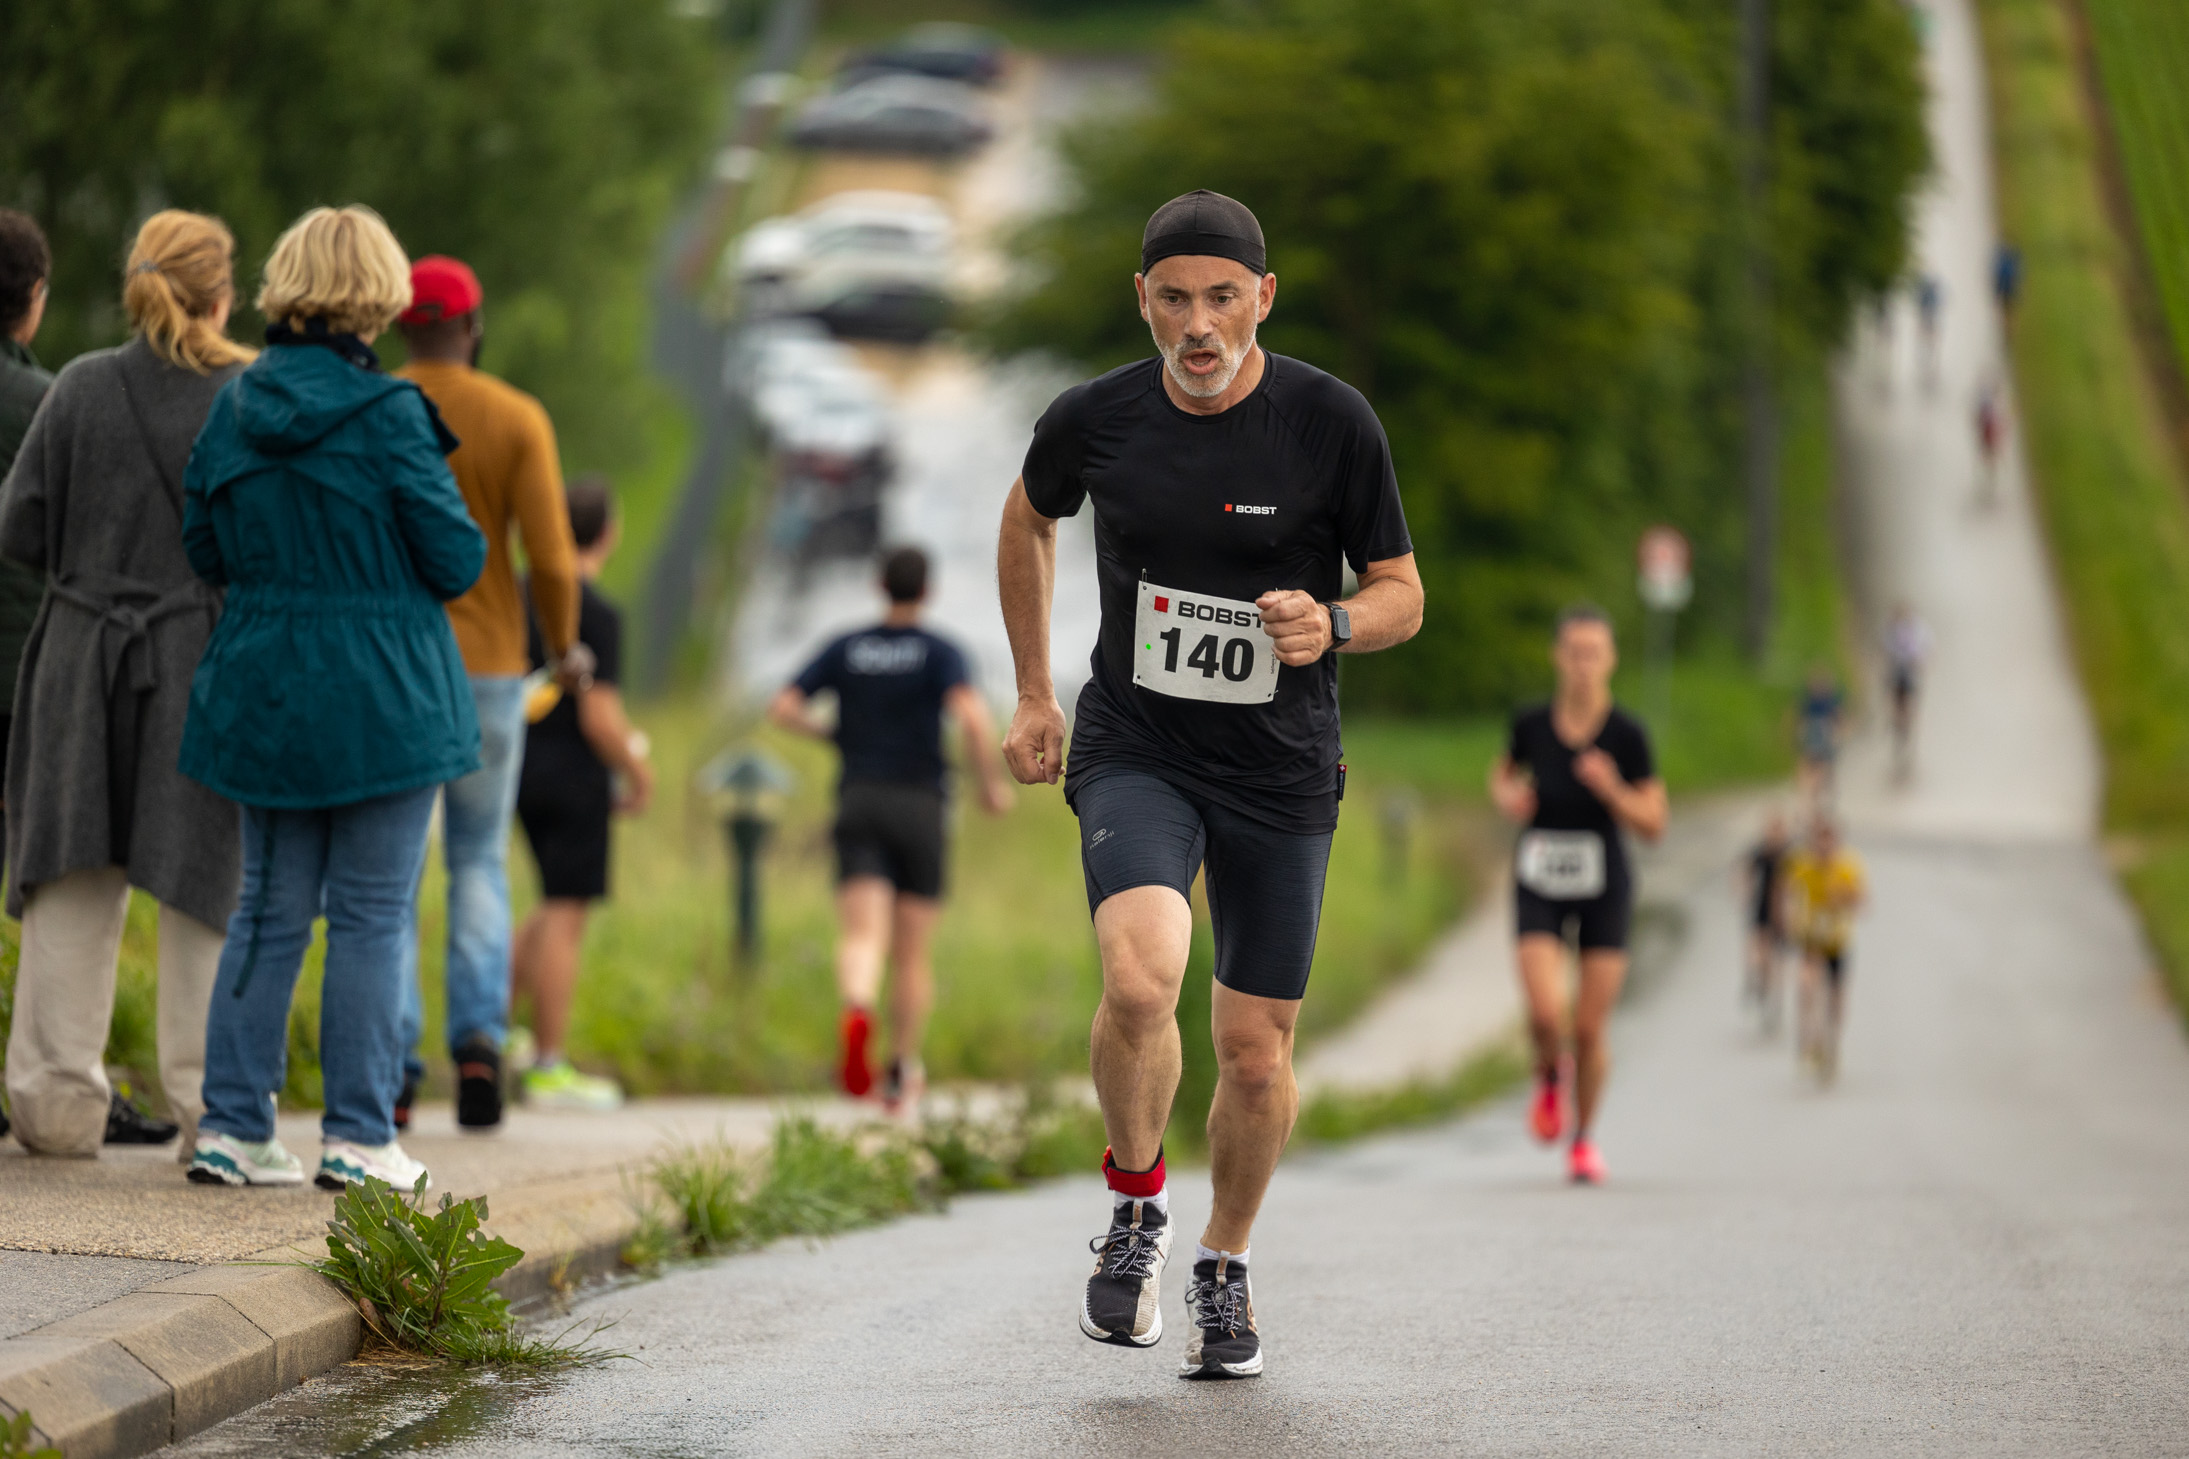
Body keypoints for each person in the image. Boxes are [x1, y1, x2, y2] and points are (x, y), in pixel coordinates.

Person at [997, 190, 1422, 1380]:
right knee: (1140, 977)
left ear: (1261, 299)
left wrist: (1333, 622)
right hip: (1137, 744)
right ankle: (1135, 1205)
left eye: (1222, 298)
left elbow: (1402, 590)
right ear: (1142, 299)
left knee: (1251, 1050)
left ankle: (1222, 1263)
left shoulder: (1329, 422)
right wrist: (1032, 692)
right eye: (1175, 298)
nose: (1198, 325)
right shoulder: (1095, 419)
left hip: (1280, 768)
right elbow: (1027, 521)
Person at [180, 206, 486, 1190]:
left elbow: (203, 547)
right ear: (378, 298)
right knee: (369, 915)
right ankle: (357, 1137)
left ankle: (231, 1127)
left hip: (263, 685)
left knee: (266, 909)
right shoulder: (390, 413)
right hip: (386, 697)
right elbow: (455, 558)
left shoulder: (233, 405)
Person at [0, 211, 253, 1159]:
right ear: (220, 296)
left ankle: (56, 1108)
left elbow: (19, 529)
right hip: (199, 656)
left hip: (79, 654)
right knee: (202, 877)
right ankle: (209, 1113)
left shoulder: (77, 385)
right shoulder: (246, 397)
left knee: (72, 868)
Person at [394, 255, 581, 1133]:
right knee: (476, 858)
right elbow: (551, 556)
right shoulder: (514, 417)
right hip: (492, 669)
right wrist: (566, 647)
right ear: (472, 329)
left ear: (402, 326)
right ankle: (478, 1044)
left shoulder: (377, 406)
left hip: (394, 661)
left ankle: (390, 1061)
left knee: (390, 868)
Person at [768, 545, 1011, 1112]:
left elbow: (783, 707)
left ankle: (858, 1006)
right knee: (912, 953)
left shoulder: (846, 646)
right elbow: (972, 718)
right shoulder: (940, 651)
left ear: (880, 585)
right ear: (927, 591)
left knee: (862, 936)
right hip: (920, 804)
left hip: (859, 799)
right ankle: (901, 1068)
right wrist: (988, 786)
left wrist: (833, 735)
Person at [1488, 607, 1667, 1185]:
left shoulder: (1627, 735)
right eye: (1575, 653)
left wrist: (1612, 788)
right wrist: (1509, 796)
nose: (1584, 665)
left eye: (1594, 653)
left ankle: (1584, 1140)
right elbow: (1502, 774)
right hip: (1539, 876)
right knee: (1546, 1014)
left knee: (1588, 1029)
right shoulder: (1531, 723)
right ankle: (1548, 1074)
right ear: (1558, 657)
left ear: (1610, 660)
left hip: (1604, 884)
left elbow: (1655, 822)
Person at [508, 475, 652, 1111]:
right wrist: (639, 771)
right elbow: (599, 718)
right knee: (566, 916)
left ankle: (488, 1034)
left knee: (542, 906)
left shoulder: (519, 595)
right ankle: (548, 1064)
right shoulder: (596, 611)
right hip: (574, 777)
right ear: (608, 533)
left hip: (514, 766)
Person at [1784, 816, 1866, 1083]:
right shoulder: (1802, 865)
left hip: (1838, 940)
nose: (1824, 847)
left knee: (1836, 998)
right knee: (1806, 984)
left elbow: (1862, 902)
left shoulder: (1847, 867)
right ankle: (1808, 1036)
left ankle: (1832, 1042)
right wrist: (1791, 918)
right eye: (1820, 840)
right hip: (1811, 938)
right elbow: (1789, 893)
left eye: (1829, 841)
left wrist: (1844, 898)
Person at [1741, 809, 1793, 1031]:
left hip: (1781, 914)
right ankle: (1757, 983)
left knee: (1777, 961)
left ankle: (1775, 1003)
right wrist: (1745, 892)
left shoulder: (1790, 855)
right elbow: (1745, 873)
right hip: (1761, 909)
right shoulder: (1759, 853)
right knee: (1758, 953)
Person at [1883, 601, 1931, 777]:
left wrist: (1920, 664)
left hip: (1909, 672)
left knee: (1908, 705)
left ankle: (1905, 725)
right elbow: (1885, 651)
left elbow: (1925, 651)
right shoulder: (1891, 629)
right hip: (1897, 672)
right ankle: (1898, 722)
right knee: (1897, 703)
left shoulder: (1918, 630)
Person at [1795, 667, 1845, 816]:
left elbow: (1838, 719)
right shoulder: (1818, 701)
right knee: (1817, 768)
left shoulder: (1825, 701)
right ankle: (1812, 799)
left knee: (1820, 768)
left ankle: (1814, 799)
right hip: (1818, 735)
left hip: (1820, 735)